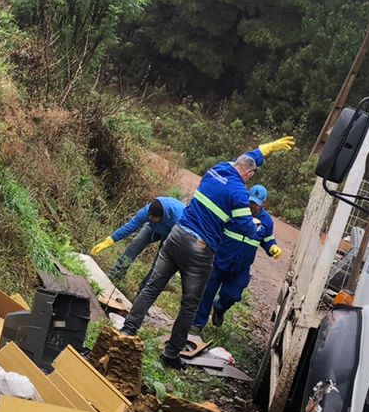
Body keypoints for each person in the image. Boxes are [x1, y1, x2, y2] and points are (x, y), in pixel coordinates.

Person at [121, 136, 295, 366]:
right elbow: (247, 228)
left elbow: (247, 159)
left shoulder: (218, 168)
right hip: (199, 250)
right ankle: (171, 354)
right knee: (190, 303)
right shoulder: (238, 193)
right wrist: (259, 232)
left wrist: (266, 149)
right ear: (248, 175)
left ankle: (127, 330)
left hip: (176, 235)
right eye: (250, 174)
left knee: (152, 287)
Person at [193, 184, 281, 331]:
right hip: (220, 260)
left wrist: (272, 248)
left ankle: (220, 308)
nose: (252, 206)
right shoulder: (236, 210)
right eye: (250, 202)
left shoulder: (266, 221)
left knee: (233, 295)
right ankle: (197, 324)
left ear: (263, 204)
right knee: (206, 293)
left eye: (256, 204)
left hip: (241, 267)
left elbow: (267, 240)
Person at [91, 196, 185, 282]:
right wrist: (110, 240)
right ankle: (116, 275)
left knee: (159, 263)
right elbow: (131, 226)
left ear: (162, 217)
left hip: (173, 234)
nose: (149, 218)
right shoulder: (148, 211)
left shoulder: (178, 219)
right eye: (149, 216)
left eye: (153, 217)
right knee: (135, 244)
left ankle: (144, 291)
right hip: (154, 228)